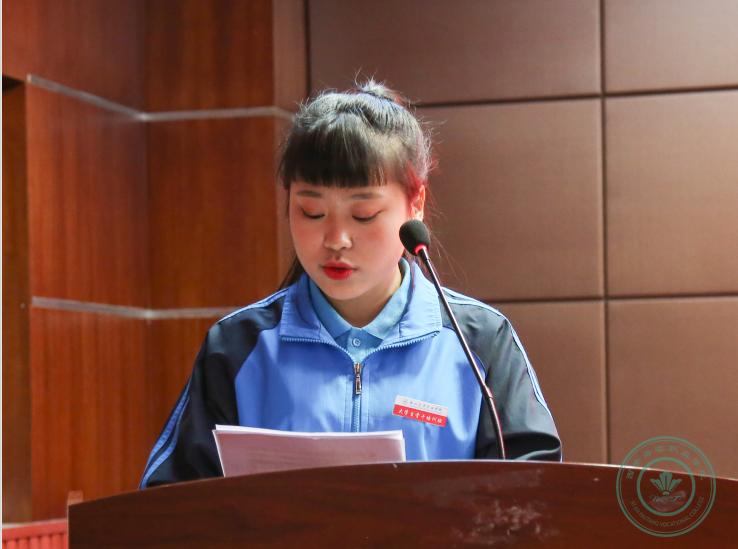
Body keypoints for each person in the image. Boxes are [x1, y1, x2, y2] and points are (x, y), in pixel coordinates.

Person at [140, 81, 561, 488]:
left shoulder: (480, 343)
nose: (336, 239)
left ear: (415, 202)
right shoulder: (238, 346)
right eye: (311, 212)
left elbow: (535, 496)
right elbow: (170, 504)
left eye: (363, 215)